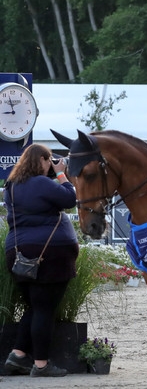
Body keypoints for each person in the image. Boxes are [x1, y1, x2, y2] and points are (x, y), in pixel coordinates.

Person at [3, 144, 78, 377]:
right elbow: (70, 199)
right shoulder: (43, 183)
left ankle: (18, 354)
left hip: (18, 253)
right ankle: (42, 365)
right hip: (49, 255)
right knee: (45, 309)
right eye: (49, 160)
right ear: (42, 161)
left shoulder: (11, 186)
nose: (51, 164)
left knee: (36, 306)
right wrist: (61, 174)